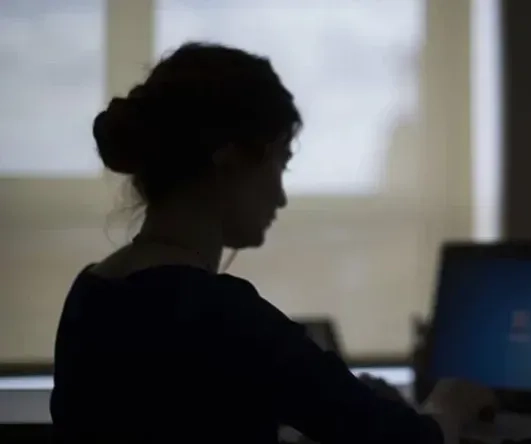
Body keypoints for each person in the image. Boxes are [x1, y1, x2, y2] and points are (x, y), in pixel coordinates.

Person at [50, 42, 495, 443]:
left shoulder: (90, 291)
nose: (281, 197)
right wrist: (448, 407)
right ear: (228, 161)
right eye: (280, 163)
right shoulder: (221, 315)